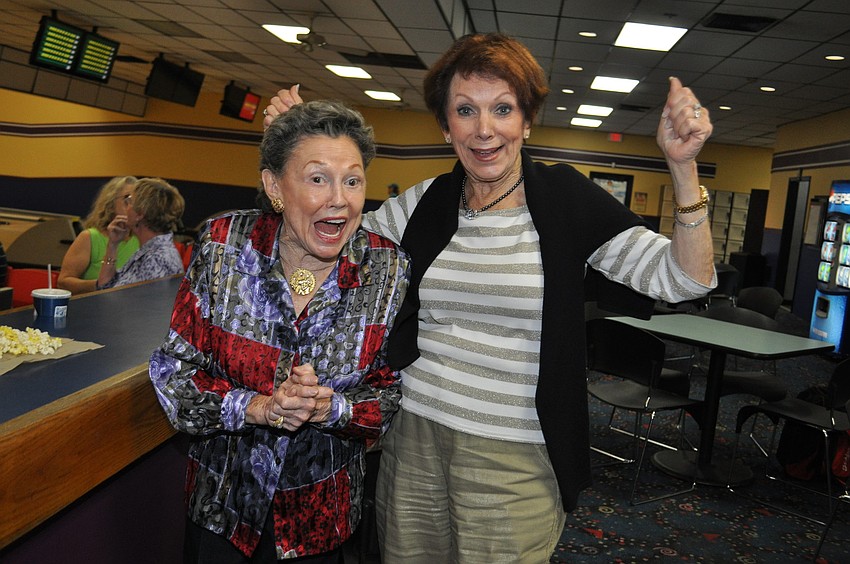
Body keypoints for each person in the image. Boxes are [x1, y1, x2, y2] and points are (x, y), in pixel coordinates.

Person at [265, 32, 716, 563]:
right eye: (465, 110)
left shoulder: (565, 200)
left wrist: (683, 169)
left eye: (502, 109)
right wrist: (292, 150)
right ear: (445, 125)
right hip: (412, 439)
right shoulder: (425, 202)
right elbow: (322, 244)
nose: (484, 129)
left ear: (526, 121)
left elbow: (684, 281)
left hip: (515, 454)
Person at [149, 100, 410, 563]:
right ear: (274, 186)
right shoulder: (223, 246)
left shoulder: (387, 268)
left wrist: (332, 407)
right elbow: (175, 372)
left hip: (322, 520)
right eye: (318, 179)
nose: (340, 199)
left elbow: (388, 394)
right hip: (222, 510)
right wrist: (259, 407)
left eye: (352, 180)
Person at [95, 177, 185, 290]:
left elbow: (111, 297)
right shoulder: (148, 250)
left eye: (129, 202)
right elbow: (104, 287)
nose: (126, 207)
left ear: (139, 214)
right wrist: (112, 245)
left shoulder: (156, 260)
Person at [58, 176, 140, 294]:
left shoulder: (142, 238)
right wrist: (100, 285)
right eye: (128, 199)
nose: (132, 205)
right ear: (110, 203)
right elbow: (63, 282)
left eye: (137, 201)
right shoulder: (90, 237)